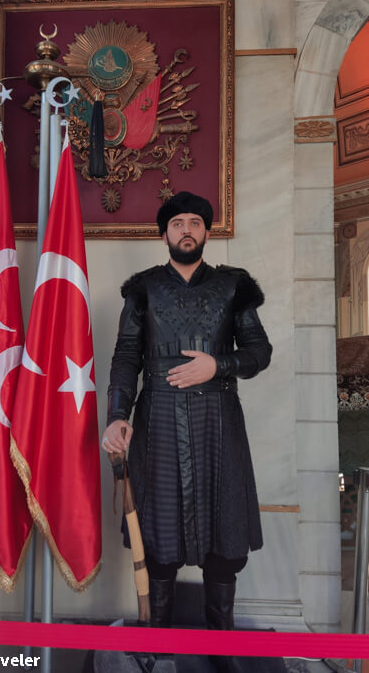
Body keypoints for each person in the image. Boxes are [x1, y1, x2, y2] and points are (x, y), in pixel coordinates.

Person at [101, 192, 272, 664]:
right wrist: (117, 415)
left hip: (219, 421)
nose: (186, 229)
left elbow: (260, 352)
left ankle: (221, 649)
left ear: (207, 233)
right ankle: (156, 646)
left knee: (224, 534)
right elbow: (125, 358)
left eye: (195, 222)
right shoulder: (143, 289)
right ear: (164, 234)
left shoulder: (234, 286)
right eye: (177, 223)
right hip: (156, 421)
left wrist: (217, 365)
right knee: (158, 535)